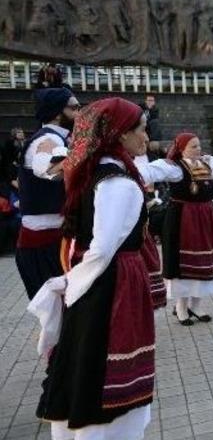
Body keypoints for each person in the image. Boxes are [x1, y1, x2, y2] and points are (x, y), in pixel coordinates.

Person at [32, 97, 155, 439]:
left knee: (85, 358)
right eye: (140, 129)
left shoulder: (92, 169)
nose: (146, 137)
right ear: (119, 135)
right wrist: (72, 285)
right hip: (111, 283)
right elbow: (102, 250)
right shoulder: (116, 181)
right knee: (102, 362)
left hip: (97, 280)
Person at [135, 133, 213, 325]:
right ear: (181, 149)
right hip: (183, 219)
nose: (198, 149)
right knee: (183, 262)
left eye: (198, 146)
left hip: (205, 218)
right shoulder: (175, 168)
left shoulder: (207, 165)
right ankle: (181, 307)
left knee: (203, 260)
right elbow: (150, 171)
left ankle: (196, 305)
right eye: (193, 146)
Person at [16, 87, 80, 299]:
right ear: (56, 113)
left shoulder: (60, 139)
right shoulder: (48, 140)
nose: (78, 113)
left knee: (63, 314)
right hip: (43, 244)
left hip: (54, 238)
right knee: (56, 313)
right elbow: (46, 168)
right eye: (74, 108)